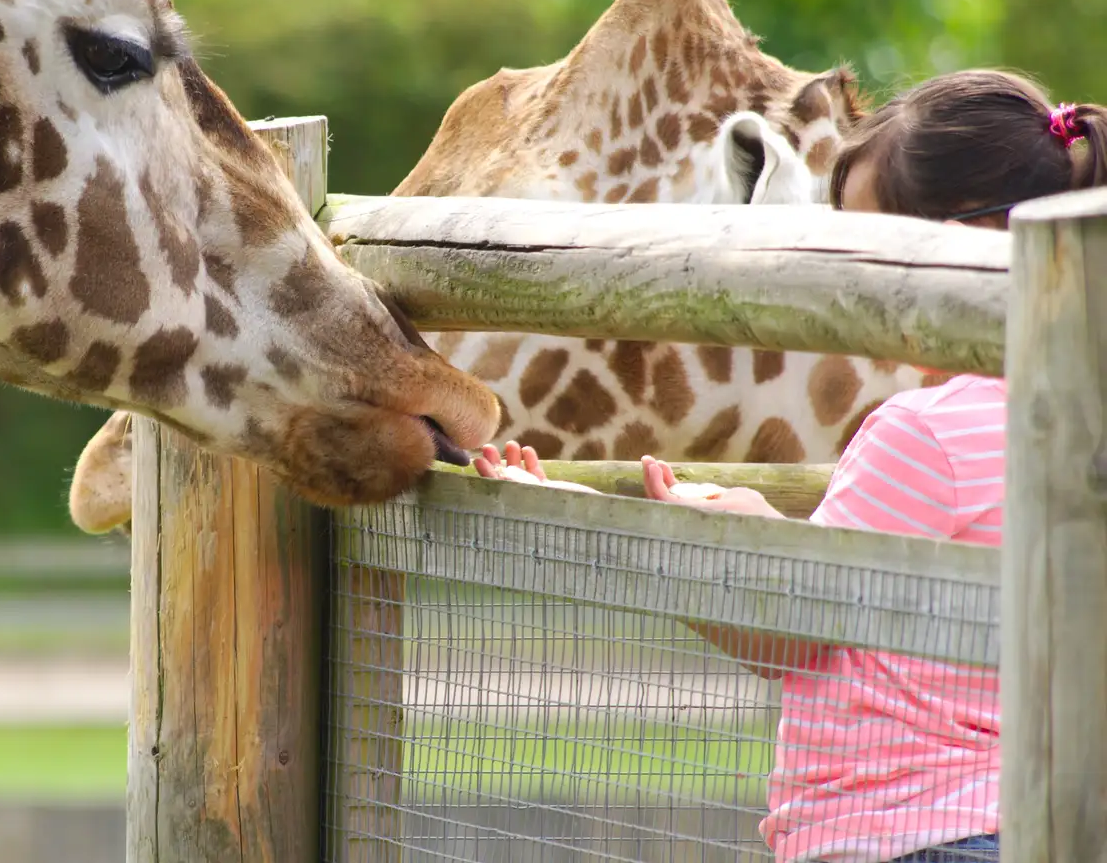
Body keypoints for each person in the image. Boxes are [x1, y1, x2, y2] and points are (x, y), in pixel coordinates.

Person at [472, 71, 1107, 863]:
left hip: (899, 837)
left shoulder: (922, 435)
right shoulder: (1071, 426)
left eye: (872, 248)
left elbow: (791, 629)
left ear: (968, 242)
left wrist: (707, 538)